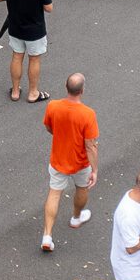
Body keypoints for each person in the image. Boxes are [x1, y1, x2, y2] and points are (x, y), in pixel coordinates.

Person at [40, 73, 99, 253]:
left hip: (58, 159)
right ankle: (76, 217)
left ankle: (47, 236)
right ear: (82, 90)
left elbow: (49, 127)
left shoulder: (53, 106)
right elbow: (91, 145)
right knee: (82, 188)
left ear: (66, 88)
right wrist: (94, 169)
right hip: (80, 162)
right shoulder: (88, 114)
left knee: (54, 194)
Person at [0, 0, 54, 103]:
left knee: (17, 56)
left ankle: (15, 92)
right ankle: (33, 93)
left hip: (15, 27)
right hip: (35, 30)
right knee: (34, 59)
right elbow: (49, 8)